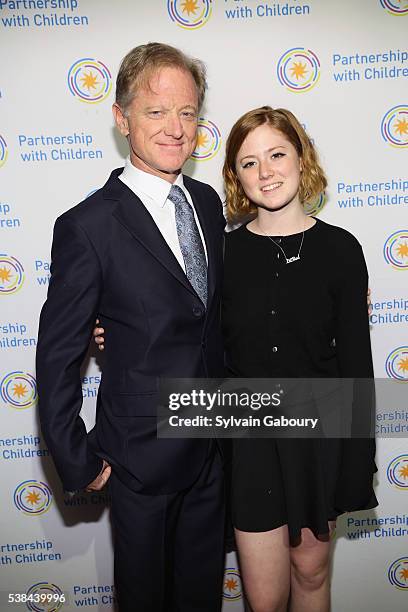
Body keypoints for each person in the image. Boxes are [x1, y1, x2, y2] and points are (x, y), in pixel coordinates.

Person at [36, 43, 226, 612]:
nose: (175, 128)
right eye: (155, 111)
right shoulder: (87, 226)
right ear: (121, 118)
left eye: (187, 113)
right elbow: (56, 357)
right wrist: (78, 461)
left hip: (215, 452)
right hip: (140, 457)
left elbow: (210, 311)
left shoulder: (208, 202)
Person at [221, 106, 377, 612]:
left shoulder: (341, 250)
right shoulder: (222, 255)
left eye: (276, 154)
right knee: (264, 600)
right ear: (236, 177)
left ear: (300, 157)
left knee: (311, 575)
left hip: (320, 438)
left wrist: (358, 461)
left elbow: (357, 363)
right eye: (249, 163)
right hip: (248, 442)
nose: (265, 172)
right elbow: (187, 336)